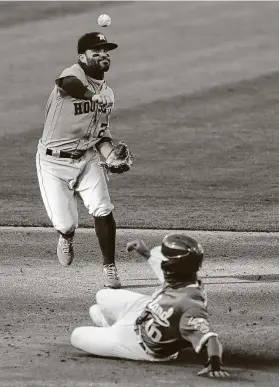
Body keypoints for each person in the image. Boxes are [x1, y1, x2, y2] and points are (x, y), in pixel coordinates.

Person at [36, 32, 133, 289]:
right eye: (96, 50)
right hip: (53, 162)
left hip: (87, 157)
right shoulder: (73, 74)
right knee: (66, 223)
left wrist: (111, 156)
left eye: (106, 50)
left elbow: (101, 134)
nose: (103, 54)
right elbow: (68, 84)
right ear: (82, 57)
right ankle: (66, 236)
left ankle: (109, 266)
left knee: (103, 208)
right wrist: (91, 97)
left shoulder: (108, 93)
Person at [71, 234, 230, 378]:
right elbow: (165, 269)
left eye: (165, 260)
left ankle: (111, 329)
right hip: (143, 310)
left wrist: (214, 363)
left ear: (173, 268)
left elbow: (210, 338)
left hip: (140, 344)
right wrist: (145, 253)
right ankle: (112, 326)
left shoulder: (191, 304)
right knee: (102, 296)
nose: (163, 263)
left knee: (77, 335)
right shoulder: (185, 275)